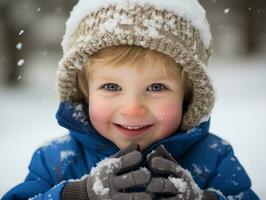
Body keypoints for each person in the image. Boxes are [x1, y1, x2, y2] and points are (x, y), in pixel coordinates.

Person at [2, 0, 259, 199]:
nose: (133, 108)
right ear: (84, 91)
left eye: (156, 87)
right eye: (112, 86)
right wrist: (76, 195)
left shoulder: (214, 159)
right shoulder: (56, 161)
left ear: (189, 95)